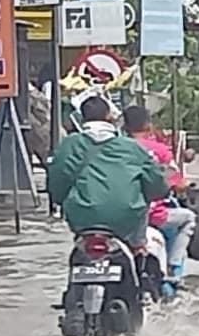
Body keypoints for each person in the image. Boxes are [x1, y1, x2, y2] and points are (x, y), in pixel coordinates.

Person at [47, 96, 170, 255]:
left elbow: (56, 185)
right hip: (126, 220)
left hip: (81, 219)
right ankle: (139, 249)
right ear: (109, 117)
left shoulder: (68, 145)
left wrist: (67, 202)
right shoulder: (133, 148)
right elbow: (156, 186)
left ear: (82, 118)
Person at [124, 107, 195, 282]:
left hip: (122, 214)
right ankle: (174, 268)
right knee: (189, 219)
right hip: (155, 215)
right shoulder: (160, 151)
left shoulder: (114, 148)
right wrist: (184, 184)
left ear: (125, 127)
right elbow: (176, 183)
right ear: (148, 126)